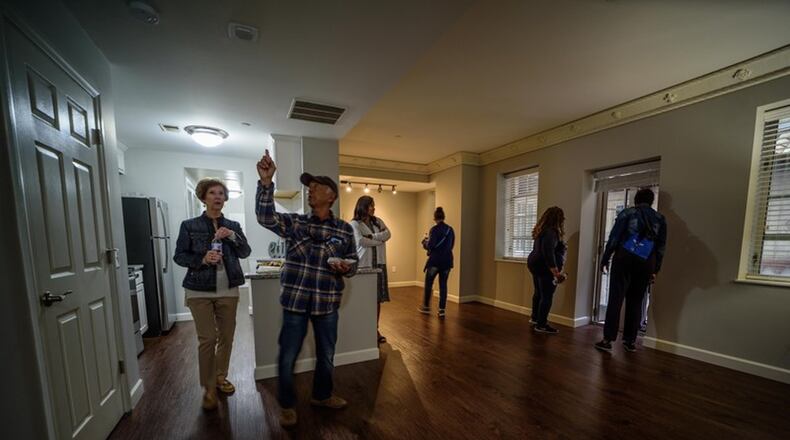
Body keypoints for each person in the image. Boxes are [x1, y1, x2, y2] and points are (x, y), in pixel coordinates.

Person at [255, 150, 358, 428]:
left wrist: (345, 267)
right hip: (295, 303)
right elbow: (265, 218)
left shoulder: (345, 229)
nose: (310, 191)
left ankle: (322, 396)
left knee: (326, 354)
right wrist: (266, 183)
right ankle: (287, 405)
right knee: (287, 355)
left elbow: (354, 263)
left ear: (331, 195)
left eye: (316, 188)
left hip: (327, 303)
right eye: (309, 188)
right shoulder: (295, 222)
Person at [173, 178, 252, 410]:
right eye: (212, 193)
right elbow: (179, 256)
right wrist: (202, 259)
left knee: (227, 336)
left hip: (228, 288)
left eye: (221, 193)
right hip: (198, 289)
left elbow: (245, 252)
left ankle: (220, 377)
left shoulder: (234, 226)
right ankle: (208, 387)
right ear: (203, 197)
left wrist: (232, 237)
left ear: (225, 198)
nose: (218, 196)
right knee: (207, 338)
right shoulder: (189, 225)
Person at [595, 188, 667, 353]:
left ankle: (607, 340)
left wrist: (605, 258)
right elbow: (661, 247)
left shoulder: (627, 213)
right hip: (646, 262)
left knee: (615, 299)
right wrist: (656, 269)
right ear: (651, 201)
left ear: (636, 199)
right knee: (636, 301)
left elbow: (614, 238)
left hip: (624, 259)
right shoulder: (660, 219)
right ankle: (630, 341)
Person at [350, 196, 391, 344]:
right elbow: (361, 241)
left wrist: (372, 236)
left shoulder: (378, 221)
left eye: (374, 205)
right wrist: (379, 240)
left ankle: (375, 329)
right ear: (363, 206)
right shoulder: (354, 224)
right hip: (363, 266)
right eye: (371, 206)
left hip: (379, 265)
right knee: (364, 301)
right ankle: (362, 330)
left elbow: (388, 234)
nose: (374, 208)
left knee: (377, 300)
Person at [527, 207, 568, 334]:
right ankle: (541, 325)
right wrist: (556, 272)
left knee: (538, 293)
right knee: (547, 296)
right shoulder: (551, 232)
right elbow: (548, 253)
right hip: (544, 267)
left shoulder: (541, 231)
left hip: (535, 264)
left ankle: (535, 318)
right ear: (558, 219)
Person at [419, 207, 455, 317]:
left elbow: (431, 245)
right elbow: (452, 245)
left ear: (435, 218)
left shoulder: (434, 230)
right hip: (447, 261)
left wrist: (424, 242)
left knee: (429, 284)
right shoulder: (450, 230)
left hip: (435, 261)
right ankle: (442, 310)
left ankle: (426, 306)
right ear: (443, 217)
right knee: (443, 285)